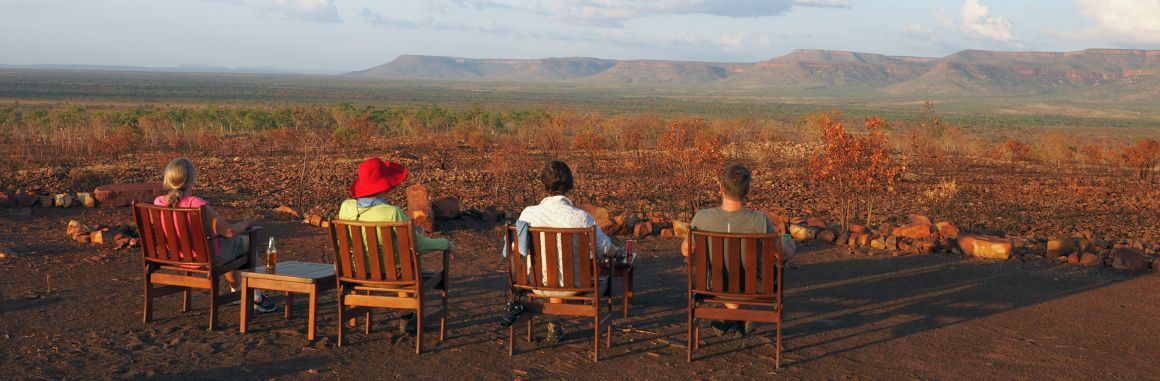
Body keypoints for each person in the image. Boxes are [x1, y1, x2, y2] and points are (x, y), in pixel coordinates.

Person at [337, 157, 456, 333]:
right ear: (384, 185)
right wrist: (446, 243)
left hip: (356, 272)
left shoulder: (346, 207)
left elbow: (343, 241)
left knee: (401, 261)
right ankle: (407, 316)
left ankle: (404, 316)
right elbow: (418, 245)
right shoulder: (392, 212)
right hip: (394, 275)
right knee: (406, 264)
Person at [680, 163, 796, 336]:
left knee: (728, 275)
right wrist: (788, 241)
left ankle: (732, 318)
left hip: (713, 284)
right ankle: (740, 318)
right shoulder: (760, 220)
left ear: (721, 188)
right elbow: (783, 253)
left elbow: (686, 250)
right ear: (747, 191)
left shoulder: (701, 218)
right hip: (754, 287)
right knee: (765, 271)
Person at [153, 157, 277, 314]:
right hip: (205, 258)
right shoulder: (196, 204)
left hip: (176, 256)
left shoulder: (158, 202)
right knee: (244, 242)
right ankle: (256, 297)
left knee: (231, 247)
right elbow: (229, 231)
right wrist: (246, 223)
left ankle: (237, 290)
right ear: (191, 179)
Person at [516, 160, 616, 342]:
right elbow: (604, 248)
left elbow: (517, 248)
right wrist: (615, 251)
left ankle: (555, 325)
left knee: (552, 269)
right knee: (588, 274)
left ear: (543, 184)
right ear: (569, 185)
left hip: (537, 283)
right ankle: (560, 325)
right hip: (576, 285)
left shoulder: (528, 214)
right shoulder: (582, 217)